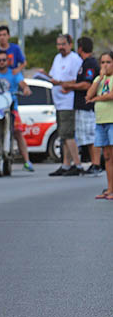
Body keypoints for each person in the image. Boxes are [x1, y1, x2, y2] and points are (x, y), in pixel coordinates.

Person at [42, 34, 84, 176]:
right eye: (58, 44)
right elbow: (54, 77)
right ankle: (66, 164)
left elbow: (77, 80)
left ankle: (77, 164)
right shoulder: (57, 58)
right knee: (63, 134)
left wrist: (61, 84)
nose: (61, 47)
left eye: (63, 44)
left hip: (68, 102)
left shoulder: (75, 59)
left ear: (70, 44)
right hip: (58, 102)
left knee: (68, 133)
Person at [60, 37, 102, 175]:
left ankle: (96, 164)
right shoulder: (85, 63)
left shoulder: (90, 63)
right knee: (86, 137)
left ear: (80, 48)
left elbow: (87, 84)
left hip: (87, 106)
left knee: (91, 137)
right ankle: (93, 163)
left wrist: (70, 86)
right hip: (81, 105)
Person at [86, 51, 113, 199]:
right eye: (102, 62)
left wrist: (97, 98)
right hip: (101, 121)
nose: (105, 65)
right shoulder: (99, 79)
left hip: (112, 120)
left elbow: (111, 95)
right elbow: (89, 95)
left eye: (108, 62)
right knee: (107, 156)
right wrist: (99, 79)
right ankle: (109, 189)